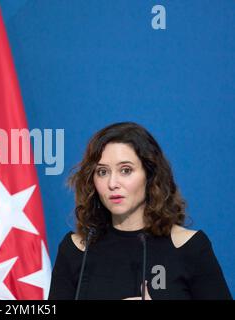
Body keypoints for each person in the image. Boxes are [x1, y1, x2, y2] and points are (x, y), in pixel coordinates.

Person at [48, 122, 232, 300]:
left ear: (150, 175)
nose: (112, 184)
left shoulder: (190, 247)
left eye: (125, 170)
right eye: (102, 172)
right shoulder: (75, 249)